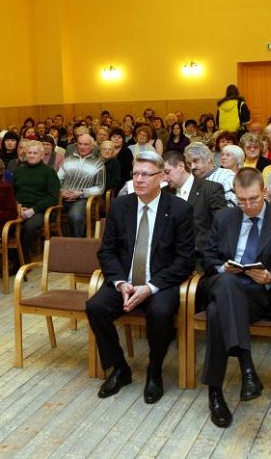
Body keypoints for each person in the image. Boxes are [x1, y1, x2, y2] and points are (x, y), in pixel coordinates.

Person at [86, 151, 195, 403]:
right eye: (135, 174)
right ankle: (119, 368)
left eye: (146, 174)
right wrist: (120, 282)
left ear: (162, 177)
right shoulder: (120, 206)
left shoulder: (179, 209)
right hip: (125, 282)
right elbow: (106, 251)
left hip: (159, 283)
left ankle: (154, 371)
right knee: (95, 307)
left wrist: (150, 287)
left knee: (160, 312)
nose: (139, 179)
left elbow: (185, 260)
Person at [200, 168, 271, 428]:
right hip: (224, 284)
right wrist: (222, 268)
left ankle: (215, 393)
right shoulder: (224, 217)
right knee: (226, 282)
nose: (248, 205)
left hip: (257, 295)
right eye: (241, 200)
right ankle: (247, 369)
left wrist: (270, 277)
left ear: (264, 192)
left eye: (253, 199)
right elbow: (207, 257)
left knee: (216, 312)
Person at [162, 151, 227, 255]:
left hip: (200, 255)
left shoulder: (211, 189)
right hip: (170, 256)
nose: (165, 178)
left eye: (167, 172)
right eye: (162, 174)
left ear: (181, 166)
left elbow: (221, 226)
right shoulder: (165, 192)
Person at [13, 141, 61, 264]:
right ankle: (13, 257)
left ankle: (22, 262)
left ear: (42, 155)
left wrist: (33, 210)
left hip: (40, 210)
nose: (31, 155)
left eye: (35, 153)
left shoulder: (49, 172)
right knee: (6, 224)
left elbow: (53, 198)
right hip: (19, 208)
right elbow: (11, 194)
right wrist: (18, 208)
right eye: (29, 153)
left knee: (29, 227)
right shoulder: (18, 171)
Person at [57, 134, 106, 237]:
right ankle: (58, 243)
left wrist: (81, 193)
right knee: (46, 212)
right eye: (80, 144)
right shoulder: (68, 159)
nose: (82, 147)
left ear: (92, 146)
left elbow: (100, 188)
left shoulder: (98, 163)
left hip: (82, 199)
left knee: (75, 216)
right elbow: (58, 179)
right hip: (62, 197)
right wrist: (62, 192)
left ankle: (77, 243)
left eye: (86, 144)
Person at [184, 142, 236, 207]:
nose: (192, 167)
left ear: (208, 158)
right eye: (189, 163)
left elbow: (232, 205)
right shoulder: (188, 180)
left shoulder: (226, 175)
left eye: (196, 161)